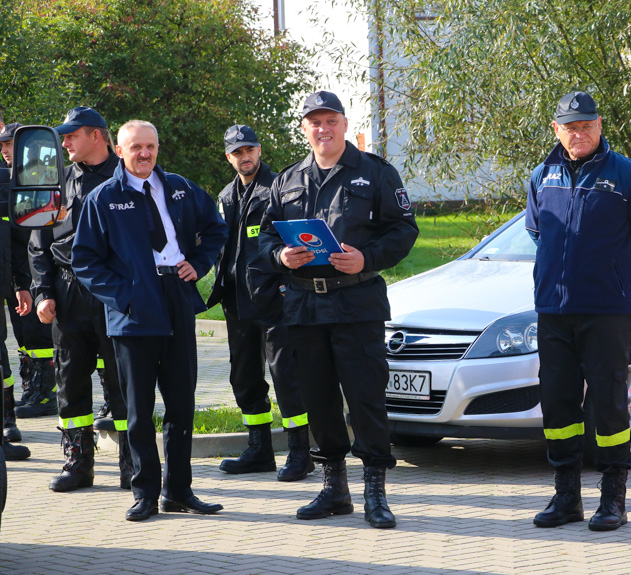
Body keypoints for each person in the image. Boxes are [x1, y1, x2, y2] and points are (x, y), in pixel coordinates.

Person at [259, 91, 418, 529]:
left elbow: (404, 230)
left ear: (345, 125)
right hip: (306, 306)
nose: (323, 129)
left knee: (366, 399)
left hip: (357, 302)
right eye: (315, 122)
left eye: (330, 121)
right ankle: (334, 487)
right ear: (305, 128)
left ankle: (375, 491)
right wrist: (280, 258)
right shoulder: (288, 179)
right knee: (318, 398)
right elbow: (267, 237)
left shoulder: (375, 173)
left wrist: (367, 257)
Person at [525, 90, 631, 532]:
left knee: (607, 403)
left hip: (606, 311)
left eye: (586, 125)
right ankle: (566, 496)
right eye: (570, 127)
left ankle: (613, 499)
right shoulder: (540, 175)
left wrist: (618, 278)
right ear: (557, 130)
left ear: (600, 125)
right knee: (557, 401)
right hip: (553, 310)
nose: (579, 133)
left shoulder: (629, 176)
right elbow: (538, 234)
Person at [72, 120, 228, 521]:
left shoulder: (179, 188)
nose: (145, 154)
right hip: (133, 313)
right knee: (139, 410)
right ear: (119, 150)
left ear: (159, 148)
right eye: (136, 147)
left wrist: (198, 262)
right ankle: (144, 492)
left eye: (151, 146)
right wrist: (124, 296)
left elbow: (215, 228)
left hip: (176, 298)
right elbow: (84, 261)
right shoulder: (103, 198)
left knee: (181, 404)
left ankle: (179, 491)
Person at [29, 107, 131, 492]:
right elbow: (38, 246)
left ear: (97, 136)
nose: (65, 142)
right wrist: (42, 293)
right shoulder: (56, 183)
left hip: (113, 292)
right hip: (68, 293)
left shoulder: (127, 180)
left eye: (72, 135)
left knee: (123, 379)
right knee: (70, 379)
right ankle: (78, 463)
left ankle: (131, 462)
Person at [208, 124, 313, 479]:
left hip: (274, 299)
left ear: (259, 150)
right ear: (228, 157)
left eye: (249, 150)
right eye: (237, 152)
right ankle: (259, 450)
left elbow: (294, 242)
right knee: (245, 377)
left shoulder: (278, 189)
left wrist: (288, 286)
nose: (245, 157)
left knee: (287, 376)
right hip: (237, 301)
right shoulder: (226, 196)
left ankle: (301, 452)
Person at [0, 123, 58, 422]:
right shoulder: (8, 181)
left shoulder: (35, 182)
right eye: (3, 146)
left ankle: (46, 393)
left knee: (38, 333)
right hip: (15, 272)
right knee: (24, 336)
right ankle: (32, 389)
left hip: (34, 270)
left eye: (10, 145)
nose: (6, 151)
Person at [0, 120, 32, 462]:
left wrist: (21, 284)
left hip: (8, 280)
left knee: (2, 358)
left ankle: (7, 422)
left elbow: (22, 240)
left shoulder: (11, 182)